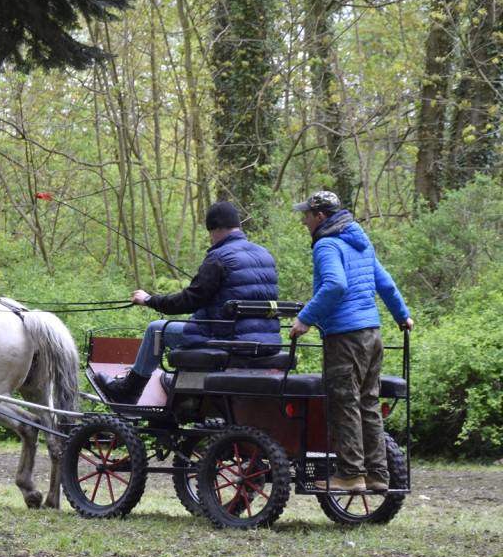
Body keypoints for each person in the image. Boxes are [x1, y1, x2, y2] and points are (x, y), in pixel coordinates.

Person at [288, 190, 414, 493]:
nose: (303, 220)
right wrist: (402, 316)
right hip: (373, 334)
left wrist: (305, 318)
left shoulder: (326, 244)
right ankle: (377, 474)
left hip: (345, 337)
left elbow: (335, 285)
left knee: (344, 404)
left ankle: (350, 474)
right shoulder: (360, 242)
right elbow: (384, 282)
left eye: (306, 214)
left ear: (320, 216)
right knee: (368, 404)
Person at [96, 201, 282, 404]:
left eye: (211, 232)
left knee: (156, 329)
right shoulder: (264, 255)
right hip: (264, 341)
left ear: (217, 228)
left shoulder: (219, 258)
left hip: (225, 339)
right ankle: (174, 382)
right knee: (188, 325)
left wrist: (149, 300)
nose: (210, 238)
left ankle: (128, 390)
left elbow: (188, 302)